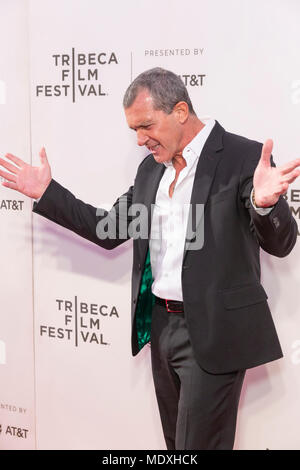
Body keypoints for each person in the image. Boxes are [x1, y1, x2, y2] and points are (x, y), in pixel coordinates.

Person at [0, 67, 299, 450]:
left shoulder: (243, 158)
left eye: (146, 126)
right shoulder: (151, 170)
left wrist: (262, 203)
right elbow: (107, 230)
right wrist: (47, 192)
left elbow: (283, 243)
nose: (141, 140)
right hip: (161, 327)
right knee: (176, 444)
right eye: (133, 131)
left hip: (213, 331)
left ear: (179, 111)